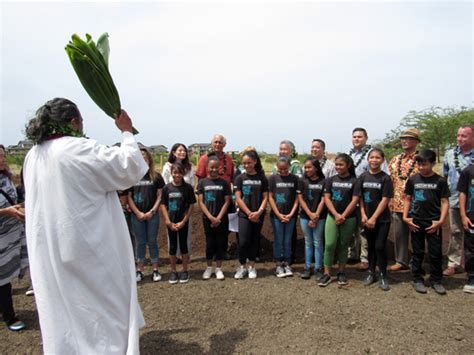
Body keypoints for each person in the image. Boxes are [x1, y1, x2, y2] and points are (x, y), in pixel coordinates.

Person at [23, 98, 148, 353]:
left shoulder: (32, 155)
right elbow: (130, 167)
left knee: (64, 312)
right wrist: (126, 130)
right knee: (102, 313)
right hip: (87, 249)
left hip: (50, 249)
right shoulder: (78, 148)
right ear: (73, 122)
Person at [403, 150, 450, 295]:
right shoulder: (413, 180)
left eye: (425, 164)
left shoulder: (440, 181)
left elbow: (444, 202)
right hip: (416, 221)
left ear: (433, 163)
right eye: (419, 164)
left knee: (435, 253)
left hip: (433, 222)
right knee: (417, 252)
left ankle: (436, 280)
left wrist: (441, 221)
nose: (422, 167)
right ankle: (417, 278)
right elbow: (407, 199)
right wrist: (406, 217)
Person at [348, 127, 389, 271]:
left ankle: (365, 259)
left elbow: (384, 175)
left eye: (359, 137)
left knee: (363, 229)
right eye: (354, 137)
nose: (356, 139)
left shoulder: (373, 155)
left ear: (366, 138)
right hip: (349, 198)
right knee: (351, 228)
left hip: (368, 198)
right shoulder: (349, 154)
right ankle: (352, 253)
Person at [319, 154, 359, 287]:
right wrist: (336, 215)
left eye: (341, 165)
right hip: (332, 216)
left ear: (348, 165)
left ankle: (341, 272)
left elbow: (355, 200)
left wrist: (343, 216)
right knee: (329, 245)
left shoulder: (355, 181)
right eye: (336, 165)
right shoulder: (329, 180)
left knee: (343, 244)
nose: (338, 167)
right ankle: (327, 273)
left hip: (349, 218)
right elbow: (326, 198)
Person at [356, 148, 393, 291]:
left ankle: (383, 274)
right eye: (372, 157)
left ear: (383, 160)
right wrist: (364, 215)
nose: (374, 160)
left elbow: (385, 200)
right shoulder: (363, 177)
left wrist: (374, 218)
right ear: (368, 159)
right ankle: (371, 273)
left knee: (380, 246)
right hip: (367, 218)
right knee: (370, 246)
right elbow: (360, 199)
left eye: (378, 158)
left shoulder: (385, 178)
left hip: (381, 219)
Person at [0, 145, 28, 331]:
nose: (2, 159)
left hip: (10, 235)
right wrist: (6, 211)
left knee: (6, 275)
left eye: (3, 155)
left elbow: (12, 200)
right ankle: (10, 316)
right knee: (3, 279)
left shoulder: (6, 178)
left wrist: (19, 206)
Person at [129, 147, 165, 283]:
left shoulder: (156, 176)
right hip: (137, 215)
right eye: (140, 157)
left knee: (152, 241)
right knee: (140, 243)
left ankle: (155, 269)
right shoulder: (132, 177)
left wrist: (152, 211)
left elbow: (160, 195)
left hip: (152, 215)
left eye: (145, 157)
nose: (143, 159)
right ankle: (140, 270)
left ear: (149, 160)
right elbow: (129, 197)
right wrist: (137, 212)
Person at [196, 134, 235, 260]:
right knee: (210, 228)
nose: (217, 144)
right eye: (215, 142)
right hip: (210, 198)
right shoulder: (204, 159)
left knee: (224, 227)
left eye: (220, 142)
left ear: (224, 145)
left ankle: (222, 251)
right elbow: (201, 178)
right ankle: (211, 252)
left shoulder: (228, 159)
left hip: (225, 198)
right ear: (212, 144)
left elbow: (232, 178)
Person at [442, 124, 474, 276]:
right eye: (458, 135)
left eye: (464, 136)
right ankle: (453, 263)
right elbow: (445, 175)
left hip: (472, 201)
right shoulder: (449, 154)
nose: (460, 139)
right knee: (455, 230)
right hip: (454, 198)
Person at [387, 128, 421, 271]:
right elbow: (389, 180)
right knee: (399, 234)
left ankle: (417, 261)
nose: (404, 141)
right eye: (403, 138)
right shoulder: (395, 160)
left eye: (408, 138)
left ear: (416, 142)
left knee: (417, 233)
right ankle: (401, 261)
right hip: (397, 202)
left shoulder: (421, 159)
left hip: (417, 203)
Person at [234, 150, 268, 279]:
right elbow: (238, 198)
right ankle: (242, 266)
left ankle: (252, 267)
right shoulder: (240, 178)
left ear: (255, 162)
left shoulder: (262, 178)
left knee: (254, 240)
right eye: (244, 163)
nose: (247, 165)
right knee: (243, 241)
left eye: (249, 162)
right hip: (244, 214)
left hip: (258, 214)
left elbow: (266, 197)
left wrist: (259, 212)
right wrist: (248, 213)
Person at [197, 155, 232, 280]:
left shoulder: (224, 183)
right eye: (211, 167)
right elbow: (201, 202)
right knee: (209, 243)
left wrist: (218, 218)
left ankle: (218, 268)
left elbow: (227, 201)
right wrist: (211, 217)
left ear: (220, 168)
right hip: (208, 219)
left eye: (216, 167)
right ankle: (209, 267)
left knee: (220, 243)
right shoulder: (202, 183)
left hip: (221, 219)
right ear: (207, 168)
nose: (214, 170)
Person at [161, 162, 196, 284]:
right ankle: (173, 271)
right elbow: (163, 205)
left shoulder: (188, 188)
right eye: (175, 172)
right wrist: (167, 221)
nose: (177, 175)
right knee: (172, 247)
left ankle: (185, 271)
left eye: (179, 172)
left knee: (183, 246)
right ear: (171, 173)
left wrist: (184, 221)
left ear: (183, 173)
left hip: (183, 222)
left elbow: (191, 205)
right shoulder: (167, 188)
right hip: (171, 222)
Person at [162, 143, 195, 258]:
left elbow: (192, 184)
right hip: (171, 204)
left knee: (186, 230)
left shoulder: (190, 167)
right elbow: (164, 185)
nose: (182, 153)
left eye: (184, 151)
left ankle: (185, 255)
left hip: (185, 205)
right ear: (173, 152)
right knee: (171, 230)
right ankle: (174, 255)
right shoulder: (167, 166)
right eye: (180, 150)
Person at [268, 156, 299, 278]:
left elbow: (297, 198)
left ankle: (287, 262)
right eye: (280, 170)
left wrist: (291, 213)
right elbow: (270, 197)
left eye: (285, 169)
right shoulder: (273, 178)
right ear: (277, 168)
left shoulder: (294, 179)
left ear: (289, 167)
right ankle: (278, 264)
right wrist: (278, 213)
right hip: (276, 215)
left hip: (290, 215)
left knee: (287, 240)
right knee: (278, 239)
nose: (283, 172)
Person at [298, 156, 326, 280]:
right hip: (305, 216)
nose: (307, 169)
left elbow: (324, 199)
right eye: (306, 167)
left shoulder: (324, 181)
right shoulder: (302, 181)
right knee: (308, 242)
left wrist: (316, 215)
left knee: (318, 242)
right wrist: (310, 214)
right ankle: (307, 267)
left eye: (310, 167)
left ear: (316, 168)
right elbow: (300, 199)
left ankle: (318, 268)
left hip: (320, 216)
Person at [457, 164, 474, 293]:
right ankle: (472, 278)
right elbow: (462, 193)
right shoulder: (468, 171)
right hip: (471, 217)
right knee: (471, 248)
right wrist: (463, 215)